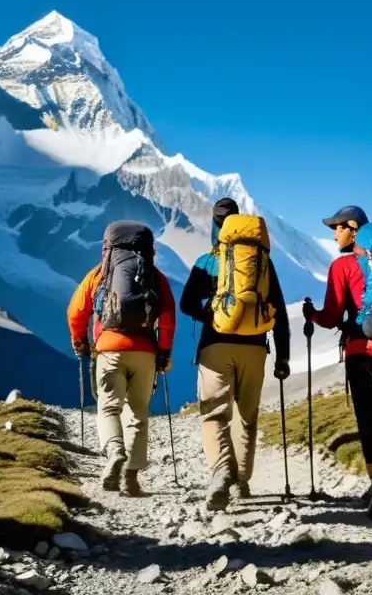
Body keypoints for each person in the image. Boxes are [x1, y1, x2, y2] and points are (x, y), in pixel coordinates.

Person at [180, 198, 291, 510]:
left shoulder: (207, 261)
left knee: (215, 414)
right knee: (247, 416)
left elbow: (186, 302)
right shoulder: (263, 264)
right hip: (256, 347)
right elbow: (279, 311)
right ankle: (242, 482)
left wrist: (210, 313)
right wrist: (283, 356)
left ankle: (221, 472)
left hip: (216, 345)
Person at [303, 205, 372, 520]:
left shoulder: (343, 266)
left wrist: (312, 314)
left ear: (353, 228)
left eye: (336, 227)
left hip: (363, 350)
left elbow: (332, 315)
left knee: (369, 421)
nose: (333, 233)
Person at [67, 221, 176, 496]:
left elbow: (75, 312)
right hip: (145, 353)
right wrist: (163, 352)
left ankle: (115, 451)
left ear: (108, 248)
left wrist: (80, 341)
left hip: (109, 349)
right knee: (138, 412)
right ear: (149, 249)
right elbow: (168, 320)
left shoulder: (100, 275)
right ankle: (131, 476)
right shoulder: (155, 277)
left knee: (108, 407)